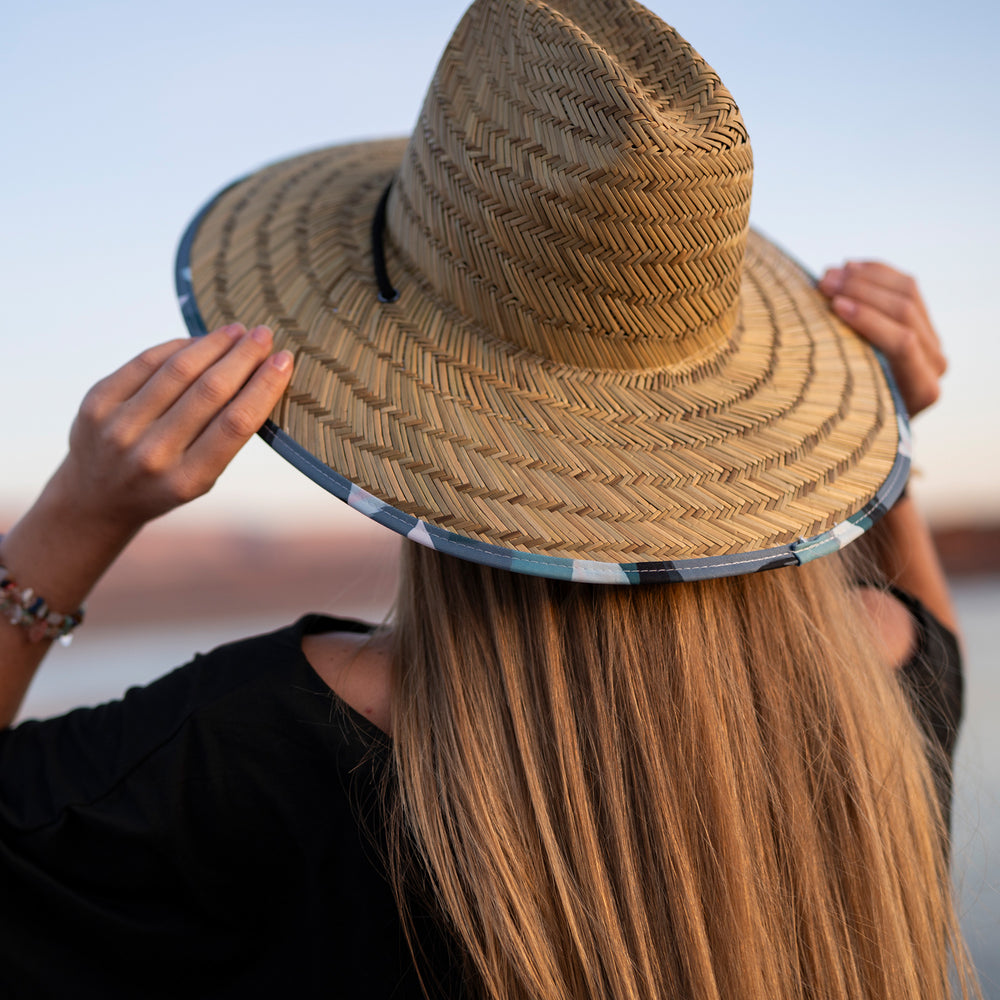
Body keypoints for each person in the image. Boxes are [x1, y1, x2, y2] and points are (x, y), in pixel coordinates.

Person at [0, 1, 978, 998]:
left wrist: (74, 518)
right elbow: (935, 650)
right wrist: (888, 457)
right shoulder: (888, 683)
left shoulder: (253, 746)